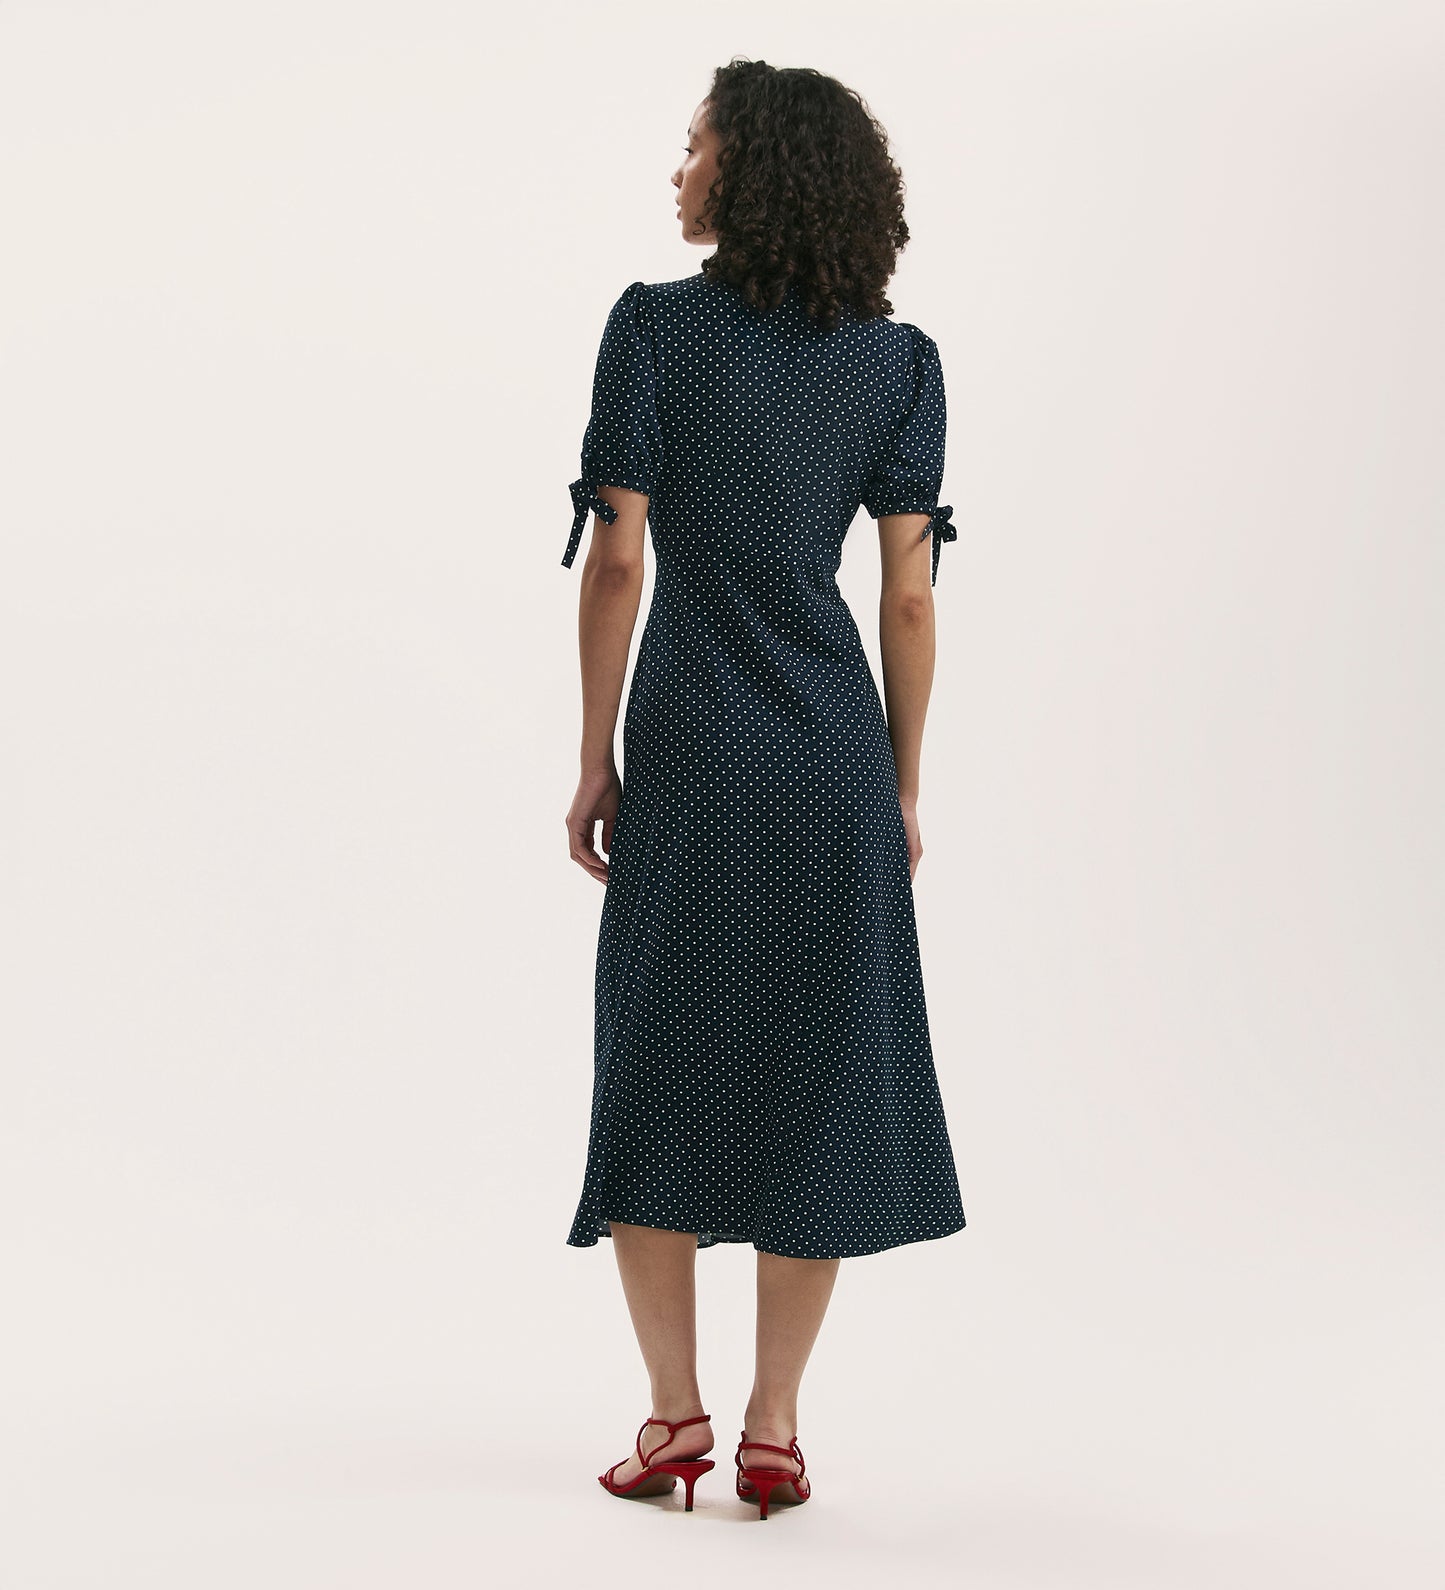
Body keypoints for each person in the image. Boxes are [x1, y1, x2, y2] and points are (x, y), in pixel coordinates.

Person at [561, 58, 967, 1519]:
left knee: (657, 1060)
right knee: (823, 1076)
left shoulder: (653, 330)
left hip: (688, 747)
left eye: (693, 145)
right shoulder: (899, 361)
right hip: (830, 756)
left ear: (747, 173)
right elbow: (907, 599)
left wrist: (593, 752)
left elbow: (618, 557)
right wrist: (901, 785)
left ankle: (670, 1419)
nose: (677, 168)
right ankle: (774, 1425)